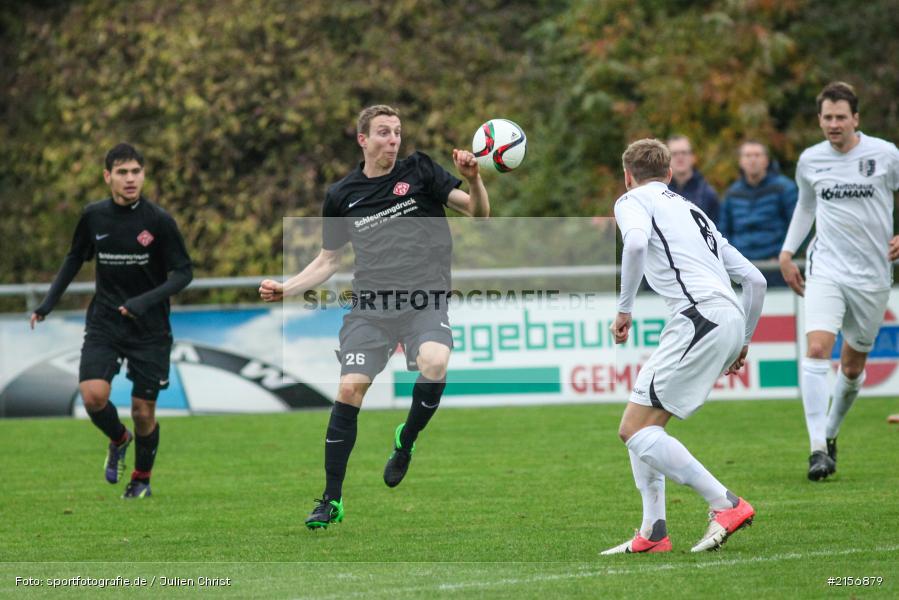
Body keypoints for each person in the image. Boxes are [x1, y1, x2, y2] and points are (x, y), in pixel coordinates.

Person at [259, 105, 489, 529]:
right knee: (349, 390)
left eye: (397, 132)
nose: (393, 140)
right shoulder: (342, 195)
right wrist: (287, 288)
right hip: (371, 309)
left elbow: (479, 213)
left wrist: (475, 178)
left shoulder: (420, 171)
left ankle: (406, 441)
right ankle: (331, 500)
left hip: (425, 299)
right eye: (383, 132)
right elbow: (328, 260)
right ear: (362, 139)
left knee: (435, 363)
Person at [602, 138, 766, 554]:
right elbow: (755, 280)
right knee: (640, 424)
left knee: (634, 431)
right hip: (725, 317)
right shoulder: (695, 212)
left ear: (627, 177)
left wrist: (624, 309)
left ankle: (725, 503)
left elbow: (635, 244)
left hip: (698, 318)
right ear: (670, 174)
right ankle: (653, 531)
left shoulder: (631, 200)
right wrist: (743, 338)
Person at [30, 143, 193, 499]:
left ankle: (141, 480)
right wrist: (47, 304)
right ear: (108, 177)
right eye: (122, 172)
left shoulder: (158, 221)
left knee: (143, 411)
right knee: (92, 395)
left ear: (143, 175)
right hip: (105, 320)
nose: (130, 178)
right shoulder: (94, 217)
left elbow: (183, 273)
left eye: (136, 171)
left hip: (150, 328)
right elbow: (75, 258)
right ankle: (119, 439)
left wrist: (143, 302)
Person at [779, 82, 899, 481]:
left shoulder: (884, 154)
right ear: (820, 120)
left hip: (873, 274)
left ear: (856, 119)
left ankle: (830, 434)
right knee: (817, 348)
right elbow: (805, 205)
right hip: (825, 267)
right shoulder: (811, 160)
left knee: (851, 366)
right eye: (827, 117)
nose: (833, 124)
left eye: (840, 117)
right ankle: (815, 447)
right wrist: (786, 251)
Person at [719, 141, 798, 286]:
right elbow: (723, 231)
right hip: (741, 270)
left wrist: (784, 256)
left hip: (776, 268)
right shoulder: (732, 193)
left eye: (757, 155)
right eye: (748, 155)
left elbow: (797, 226)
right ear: (741, 161)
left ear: (766, 160)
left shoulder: (785, 188)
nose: (752, 160)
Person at [667, 135, 721, 225]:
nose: (680, 157)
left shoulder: (707, 194)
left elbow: (718, 232)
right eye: (674, 153)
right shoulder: (659, 191)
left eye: (684, 153)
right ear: (667, 158)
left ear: (692, 157)